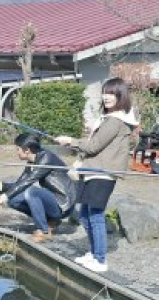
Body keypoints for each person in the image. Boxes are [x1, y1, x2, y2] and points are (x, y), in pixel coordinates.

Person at [57, 77, 136, 273]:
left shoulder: (116, 121)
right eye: (105, 92)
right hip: (93, 171)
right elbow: (93, 145)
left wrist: (70, 141)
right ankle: (93, 254)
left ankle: (100, 260)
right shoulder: (108, 118)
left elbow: (93, 146)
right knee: (85, 215)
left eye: (112, 94)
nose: (107, 97)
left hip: (104, 173)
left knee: (96, 215)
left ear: (121, 96)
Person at [0, 133, 76, 241]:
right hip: (53, 200)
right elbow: (20, 183)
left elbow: (28, 182)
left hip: (63, 203)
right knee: (13, 200)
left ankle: (44, 231)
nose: (17, 152)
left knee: (31, 192)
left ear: (27, 150)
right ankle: (51, 221)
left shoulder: (46, 158)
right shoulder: (32, 161)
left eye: (18, 149)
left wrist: (2, 198)